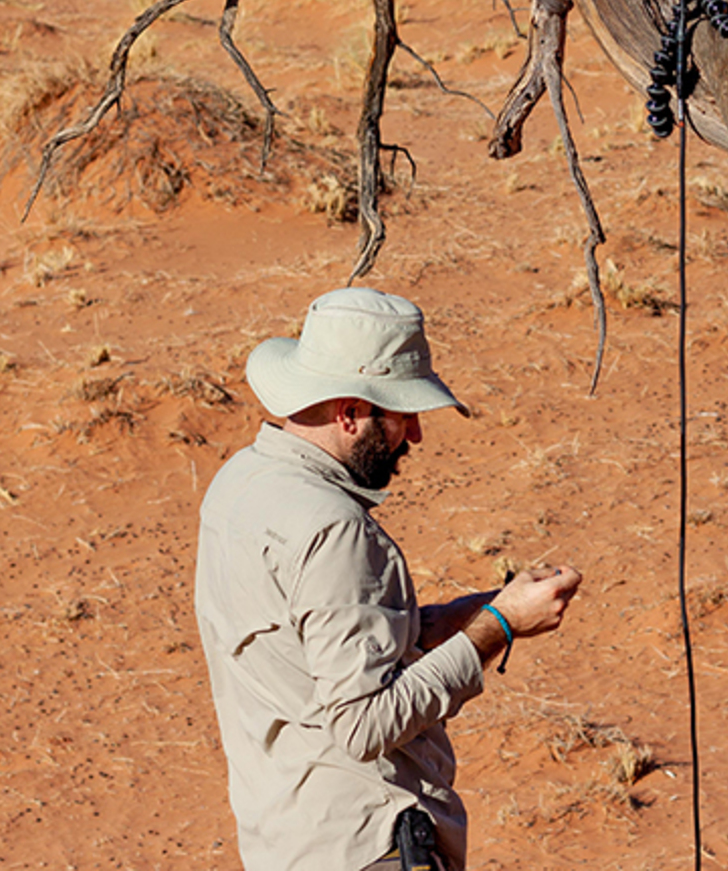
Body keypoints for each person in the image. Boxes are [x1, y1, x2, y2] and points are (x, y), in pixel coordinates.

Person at [195, 287, 582, 871]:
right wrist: (498, 628)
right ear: (350, 413)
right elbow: (364, 723)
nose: (416, 436)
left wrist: (465, 616)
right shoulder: (336, 531)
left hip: (287, 840)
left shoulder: (240, 483)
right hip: (367, 843)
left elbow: (317, 641)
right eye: (403, 414)